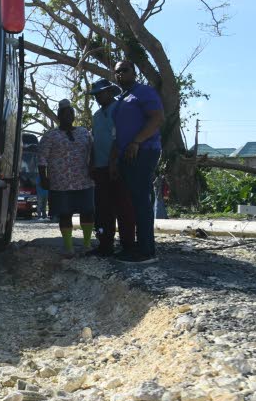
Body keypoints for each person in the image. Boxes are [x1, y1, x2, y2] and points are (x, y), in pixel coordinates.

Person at [110, 60, 164, 264]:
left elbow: (157, 118)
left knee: (141, 201)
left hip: (143, 151)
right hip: (126, 155)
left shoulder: (144, 92)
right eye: (117, 72)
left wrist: (137, 142)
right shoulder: (122, 98)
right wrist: (114, 161)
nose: (120, 74)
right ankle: (134, 248)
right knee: (133, 202)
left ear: (134, 71)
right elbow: (117, 134)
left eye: (125, 70)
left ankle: (146, 251)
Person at [38, 99, 96, 258]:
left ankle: (86, 244)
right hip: (60, 183)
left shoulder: (84, 132)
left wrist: (93, 167)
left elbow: (94, 152)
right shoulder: (50, 136)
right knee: (65, 214)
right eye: (64, 113)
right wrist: (44, 178)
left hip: (84, 180)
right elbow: (42, 158)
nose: (68, 116)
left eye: (70, 113)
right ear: (58, 116)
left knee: (88, 212)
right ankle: (69, 247)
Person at [85, 79, 135, 257]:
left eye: (101, 93)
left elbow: (119, 137)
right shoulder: (97, 115)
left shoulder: (120, 109)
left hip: (119, 166)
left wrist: (114, 162)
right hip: (100, 167)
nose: (99, 97)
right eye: (96, 94)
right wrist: (91, 162)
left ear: (110, 92)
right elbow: (95, 140)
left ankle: (128, 245)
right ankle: (105, 244)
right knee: (102, 208)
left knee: (123, 206)